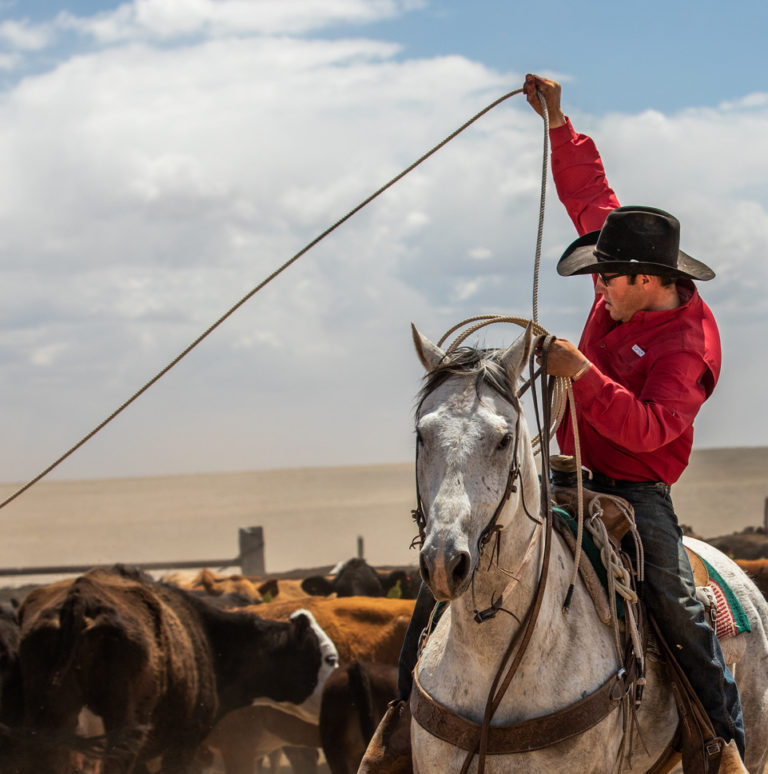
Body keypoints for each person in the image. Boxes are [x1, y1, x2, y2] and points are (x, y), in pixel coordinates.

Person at [522, 73, 747, 768]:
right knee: (471, 545)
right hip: (568, 469)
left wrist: (581, 376)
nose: (600, 286)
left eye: (609, 279)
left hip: (635, 488)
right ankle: (406, 716)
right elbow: (592, 196)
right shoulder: (624, 274)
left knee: (676, 601)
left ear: (648, 280)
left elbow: (653, 430)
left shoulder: (688, 347)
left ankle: (723, 740)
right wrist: (559, 124)